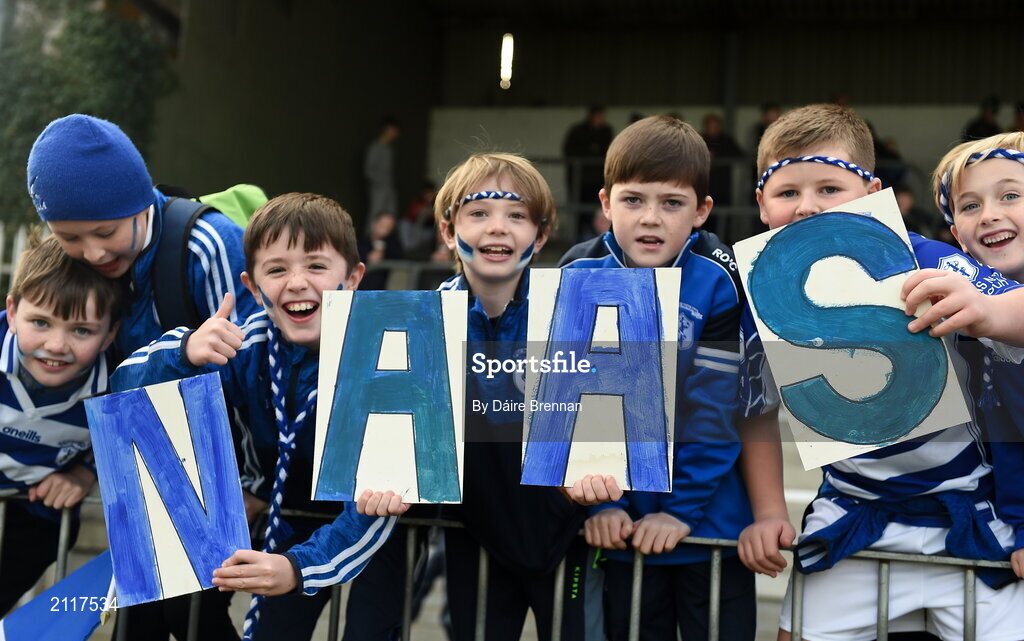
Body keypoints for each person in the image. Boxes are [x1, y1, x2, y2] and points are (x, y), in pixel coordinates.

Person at [736, 103, 1024, 641]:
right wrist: (770, 508)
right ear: (760, 205)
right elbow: (757, 410)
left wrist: (987, 309)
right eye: (787, 193)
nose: (806, 208)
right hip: (852, 516)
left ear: (872, 194)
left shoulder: (932, 260)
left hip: (969, 517)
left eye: (828, 188)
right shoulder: (759, 292)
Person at [111, 193, 405, 641]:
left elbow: (379, 511)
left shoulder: (387, 357)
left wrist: (296, 569)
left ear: (352, 278)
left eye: (316, 266)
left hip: (374, 528)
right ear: (252, 286)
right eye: (277, 269)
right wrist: (185, 352)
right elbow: (122, 389)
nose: (297, 282)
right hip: (284, 518)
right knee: (209, 616)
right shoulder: (244, 347)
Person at [562, 116, 754, 641]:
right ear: (605, 203)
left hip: (707, 525)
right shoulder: (577, 274)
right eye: (633, 200)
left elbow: (715, 408)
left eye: (672, 203)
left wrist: (680, 513)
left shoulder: (719, 280)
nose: (651, 219)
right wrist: (602, 502)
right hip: (617, 533)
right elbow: (573, 402)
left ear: (702, 211)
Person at [433, 152, 613, 641]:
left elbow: (607, 425)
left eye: (516, 215)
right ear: (449, 232)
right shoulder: (425, 324)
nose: (498, 229)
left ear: (540, 233)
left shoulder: (575, 318)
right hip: (475, 536)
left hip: (565, 534)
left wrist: (599, 499)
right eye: (479, 214)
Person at [25, 114, 258, 360]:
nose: (94, 254)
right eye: (69, 238)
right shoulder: (68, 262)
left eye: (106, 233)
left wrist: (178, 356)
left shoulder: (207, 247)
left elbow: (250, 364)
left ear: (142, 204)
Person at [0, 236, 121, 615]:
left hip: (35, 505)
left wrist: (84, 475)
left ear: (110, 334)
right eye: (40, 322)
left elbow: (125, 442)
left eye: (81, 330)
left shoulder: (120, 383)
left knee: (42, 541)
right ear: (12, 312)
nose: (56, 344)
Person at [932, 131, 1024, 581]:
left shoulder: (980, 313)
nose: (990, 215)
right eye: (970, 206)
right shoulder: (969, 323)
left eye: (1010, 195)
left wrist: (988, 310)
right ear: (956, 237)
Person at [365, 116, 400, 219]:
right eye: (394, 130)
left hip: (389, 187)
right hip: (378, 188)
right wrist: (379, 184)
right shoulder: (375, 147)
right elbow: (368, 170)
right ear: (388, 129)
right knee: (375, 214)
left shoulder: (389, 149)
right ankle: (370, 235)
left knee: (390, 214)